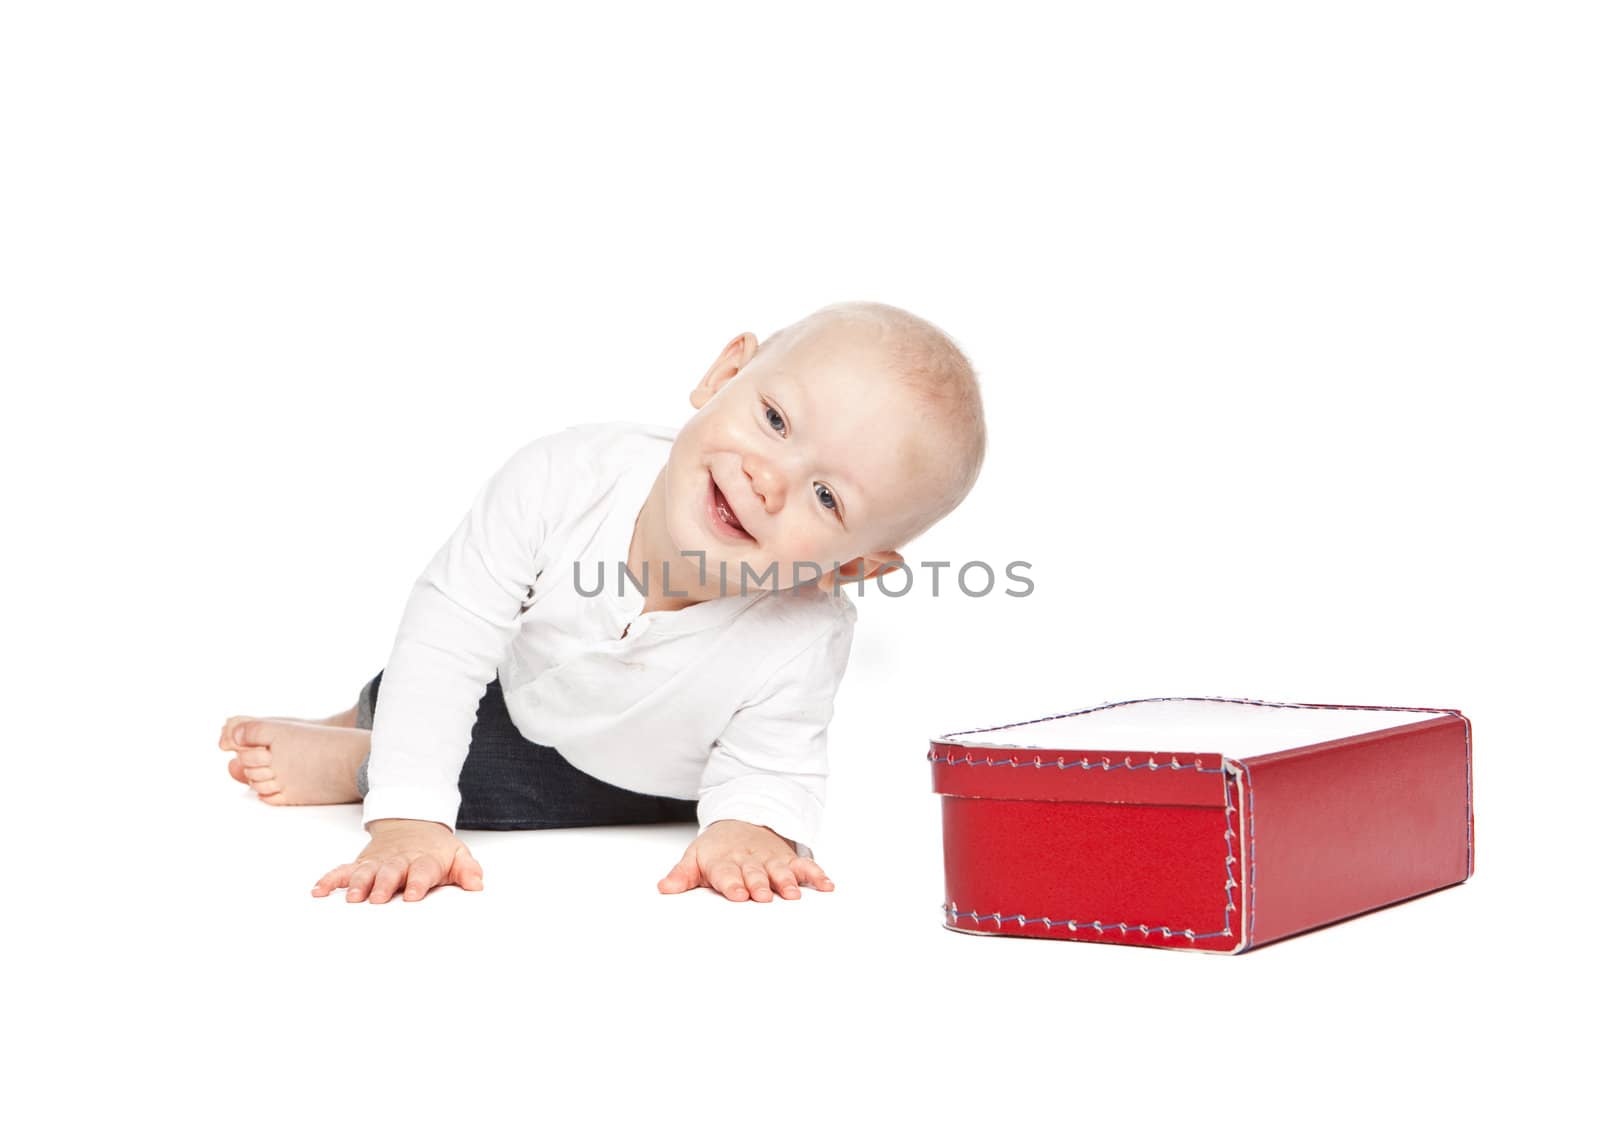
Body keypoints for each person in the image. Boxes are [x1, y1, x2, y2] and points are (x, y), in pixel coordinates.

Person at [218, 301, 986, 906]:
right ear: (724, 376)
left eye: (825, 495)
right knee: (426, 677)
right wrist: (407, 816)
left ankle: (358, 762)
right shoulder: (565, 478)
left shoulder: (804, 632)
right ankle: (365, 719)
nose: (768, 480)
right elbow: (449, 632)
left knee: (516, 776)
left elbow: (773, 759)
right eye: (776, 421)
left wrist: (750, 830)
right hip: (518, 676)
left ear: (850, 564)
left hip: (635, 772)